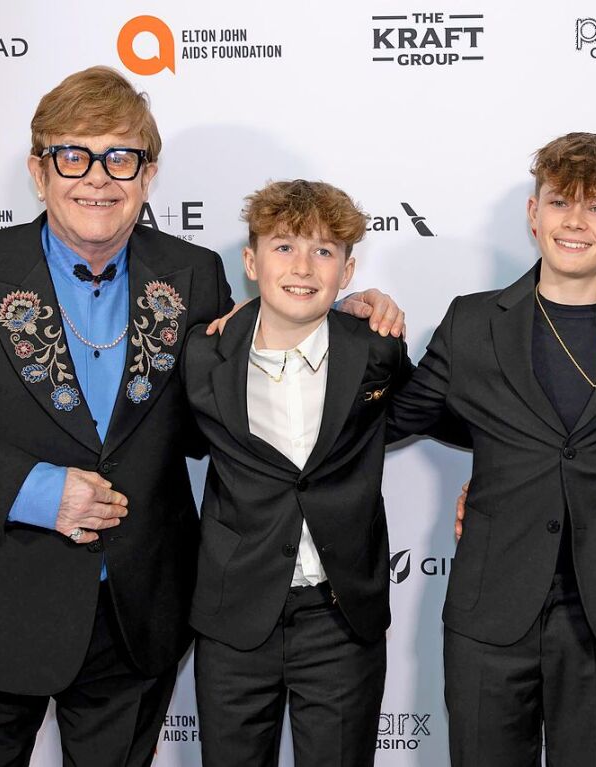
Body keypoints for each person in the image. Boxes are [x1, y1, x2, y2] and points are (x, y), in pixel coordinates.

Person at [0, 67, 403, 766]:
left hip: (136, 616)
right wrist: (40, 489)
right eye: (74, 154)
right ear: (40, 171)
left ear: (147, 175)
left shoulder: (191, 275)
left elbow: (220, 404)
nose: (97, 177)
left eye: (120, 156)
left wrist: (335, 310)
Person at [387, 132, 596, 766]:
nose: (574, 221)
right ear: (532, 212)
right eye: (559, 202)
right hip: (490, 612)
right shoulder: (471, 323)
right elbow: (393, 419)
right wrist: (337, 320)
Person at [182, 179, 410, 767]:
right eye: (284, 247)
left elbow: (439, 414)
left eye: (324, 251)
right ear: (251, 262)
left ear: (348, 269)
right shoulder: (204, 356)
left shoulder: (378, 351)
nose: (303, 266)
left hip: (339, 619)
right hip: (234, 618)